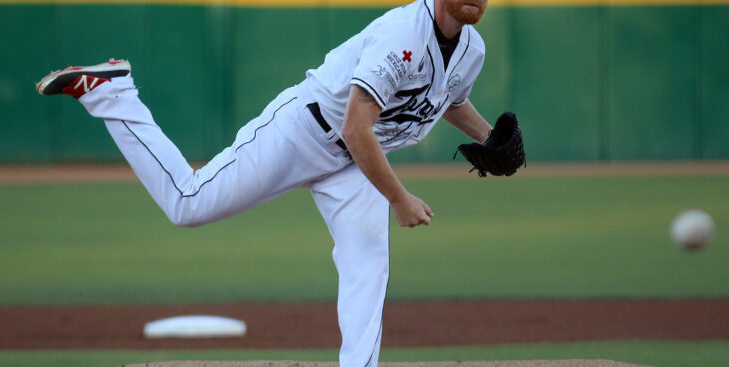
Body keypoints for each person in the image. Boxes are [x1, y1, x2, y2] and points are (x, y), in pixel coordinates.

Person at [37, 0, 496, 365]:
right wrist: (398, 199)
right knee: (188, 203)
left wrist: (490, 139)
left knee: (367, 264)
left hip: (358, 161)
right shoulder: (403, 36)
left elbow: (446, 98)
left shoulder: (471, 49)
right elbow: (356, 127)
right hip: (305, 132)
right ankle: (114, 93)